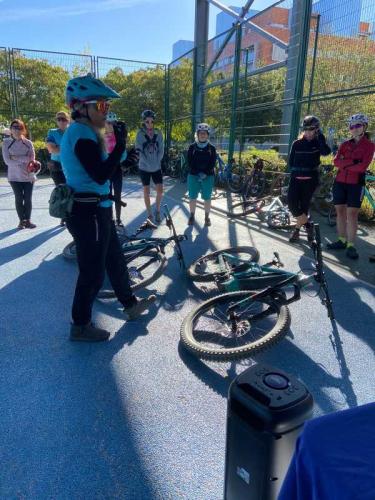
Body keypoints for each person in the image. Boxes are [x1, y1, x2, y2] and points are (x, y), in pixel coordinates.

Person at [60, 74, 155, 342]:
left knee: (114, 258)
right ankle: (80, 325)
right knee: (92, 271)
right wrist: (121, 147)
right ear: (81, 107)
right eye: (101, 106)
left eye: (107, 106)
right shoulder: (79, 133)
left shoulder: (88, 132)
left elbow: (103, 168)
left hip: (97, 209)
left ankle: (130, 304)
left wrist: (124, 157)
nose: (106, 111)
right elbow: (100, 175)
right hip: (87, 211)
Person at [327, 113, 375, 259]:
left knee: (352, 214)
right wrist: (352, 162)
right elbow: (335, 162)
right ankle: (341, 240)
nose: (354, 128)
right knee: (340, 212)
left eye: (358, 125)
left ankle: (351, 245)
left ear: (364, 127)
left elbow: (362, 167)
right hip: (340, 182)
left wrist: (345, 163)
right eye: (352, 126)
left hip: (356, 184)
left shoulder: (370, 146)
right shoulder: (344, 144)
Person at [287, 115, 331, 243]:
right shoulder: (297, 143)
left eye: (311, 129)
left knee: (304, 206)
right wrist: (296, 173)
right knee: (292, 204)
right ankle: (308, 226)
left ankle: (296, 231)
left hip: (310, 180)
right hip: (296, 179)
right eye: (306, 129)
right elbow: (291, 162)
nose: (308, 132)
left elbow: (325, 152)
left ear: (317, 129)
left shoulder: (318, 143)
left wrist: (321, 138)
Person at [2, 119, 38, 229]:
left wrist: (16, 158)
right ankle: (21, 221)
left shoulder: (28, 143)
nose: (16, 130)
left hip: (28, 176)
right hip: (14, 177)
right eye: (14, 127)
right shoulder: (6, 143)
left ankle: (28, 220)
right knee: (19, 198)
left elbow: (31, 159)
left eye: (19, 127)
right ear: (11, 129)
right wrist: (23, 159)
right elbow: (7, 161)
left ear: (23, 129)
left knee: (28, 199)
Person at [135, 110, 164, 223]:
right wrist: (146, 162)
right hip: (144, 167)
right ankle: (150, 214)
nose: (150, 124)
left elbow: (161, 149)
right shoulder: (140, 133)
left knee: (160, 191)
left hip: (156, 166)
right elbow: (139, 149)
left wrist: (157, 161)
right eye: (147, 121)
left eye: (151, 121)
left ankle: (157, 210)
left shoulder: (158, 132)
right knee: (146, 191)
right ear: (144, 122)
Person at [186, 123, 217, 227]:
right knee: (192, 197)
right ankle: (191, 216)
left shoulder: (211, 148)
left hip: (208, 176)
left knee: (207, 198)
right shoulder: (192, 147)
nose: (203, 135)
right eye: (201, 133)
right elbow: (189, 163)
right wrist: (198, 173)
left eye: (205, 133)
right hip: (193, 175)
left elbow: (212, 163)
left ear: (207, 135)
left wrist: (205, 173)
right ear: (197, 134)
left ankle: (207, 217)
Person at [46, 111, 70, 225]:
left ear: (68, 120)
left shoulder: (72, 131)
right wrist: (68, 147)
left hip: (70, 165)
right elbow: (52, 149)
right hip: (56, 165)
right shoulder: (52, 132)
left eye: (63, 119)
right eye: (58, 119)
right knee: (61, 191)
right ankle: (62, 215)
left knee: (72, 190)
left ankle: (70, 213)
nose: (61, 121)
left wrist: (59, 146)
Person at [104, 112, 125, 227]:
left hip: (117, 167)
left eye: (113, 122)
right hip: (106, 167)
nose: (111, 124)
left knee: (117, 194)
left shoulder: (118, 134)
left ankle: (118, 219)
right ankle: (110, 218)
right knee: (107, 194)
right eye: (108, 122)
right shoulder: (101, 134)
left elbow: (122, 147)